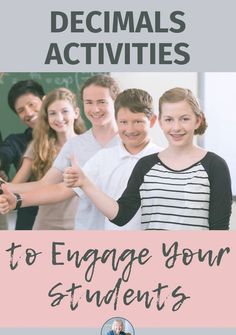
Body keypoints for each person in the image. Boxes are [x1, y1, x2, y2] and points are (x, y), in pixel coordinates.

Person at [61, 87, 232, 230]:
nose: (176, 127)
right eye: (169, 119)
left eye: (184, 119)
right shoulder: (146, 165)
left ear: (197, 120)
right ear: (161, 123)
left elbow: (219, 230)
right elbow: (121, 215)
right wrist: (85, 182)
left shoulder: (215, 166)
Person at [0, 74, 120, 227]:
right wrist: (13, 196)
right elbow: (54, 187)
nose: (95, 109)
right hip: (66, 226)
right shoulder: (73, 146)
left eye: (101, 102)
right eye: (89, 102)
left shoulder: (127, 143)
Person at [66, 88, 162, 229]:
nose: (130, 129)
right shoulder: (103, 157)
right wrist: (80, 181)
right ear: (116, 121)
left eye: (137, 122)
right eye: (123, 122)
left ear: (152, 120)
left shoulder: (164, 159)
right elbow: (67, 189)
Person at [11, 87, 86, 229]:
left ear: (76, 113)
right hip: (45, 225)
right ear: (47, 117)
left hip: (80, 225)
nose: (59, 118)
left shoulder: (89, 146)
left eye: (64, 111)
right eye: (52, 113)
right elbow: (17, 184)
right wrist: (4, 187)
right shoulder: (37, 146)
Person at [0, 80, 44, 229]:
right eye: (21, 110)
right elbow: (4, 154)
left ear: (45, 101)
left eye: (32, 104)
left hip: (66, 219)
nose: (29, 113)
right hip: (28, 220)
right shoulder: (15, 141)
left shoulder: (69, 139)